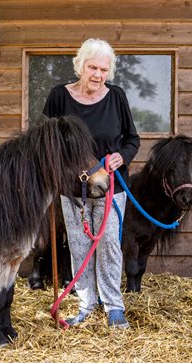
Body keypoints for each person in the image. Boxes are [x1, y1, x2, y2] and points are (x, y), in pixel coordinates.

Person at [42, 38, 140, 329]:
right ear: (80, 65)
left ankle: (114, 306)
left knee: (109, 243)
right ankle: (86, 304)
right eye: (92, 67)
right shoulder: (59, 96)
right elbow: (46, 139)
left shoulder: (117, 97)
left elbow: (132, 140)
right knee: (80, 246)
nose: (98, 75)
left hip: (111, 188)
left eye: (103, 69)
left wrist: (121, 157)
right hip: (73, 190)